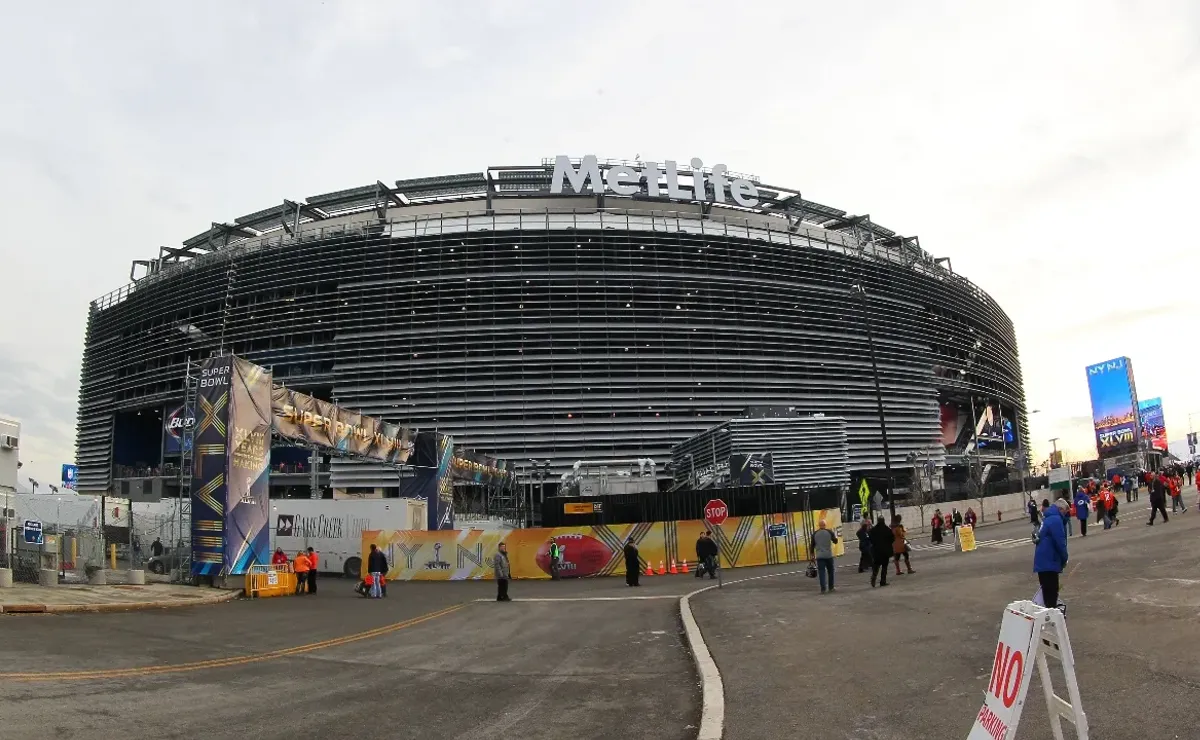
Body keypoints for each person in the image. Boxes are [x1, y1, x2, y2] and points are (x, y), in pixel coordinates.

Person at [1033, 499, 1069, 611]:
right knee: (1052, 595)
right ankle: (1050, 620)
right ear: (1061, 509)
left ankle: (1047, 617)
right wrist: (1065, 559)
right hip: (1050, 561)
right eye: (1065, 512)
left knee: (1047, 594)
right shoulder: (1056, 520)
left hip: (1042, 562)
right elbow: (1060, 542)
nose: (1065, 515)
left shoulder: (1047, 518)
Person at [810, 520, 839, 594]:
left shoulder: (815, 534)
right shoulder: (829, 532)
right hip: (828, 555)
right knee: (830, 571)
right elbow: (835, 541)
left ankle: (823, 589)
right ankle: (831, 587)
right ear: (825, 525)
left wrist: (812, 555)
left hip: (819, 556)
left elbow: (812, 546)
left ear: (819, 525)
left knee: (821, 572)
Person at [869, 516, 895, 588]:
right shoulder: (887, 529)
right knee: (884, 567)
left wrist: (874, 543)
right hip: (885, 552)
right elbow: (892, 538)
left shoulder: (873, 530)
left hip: (876, 551)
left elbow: (870, 538)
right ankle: (883, 581)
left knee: (876, 566)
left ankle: (873, 577)